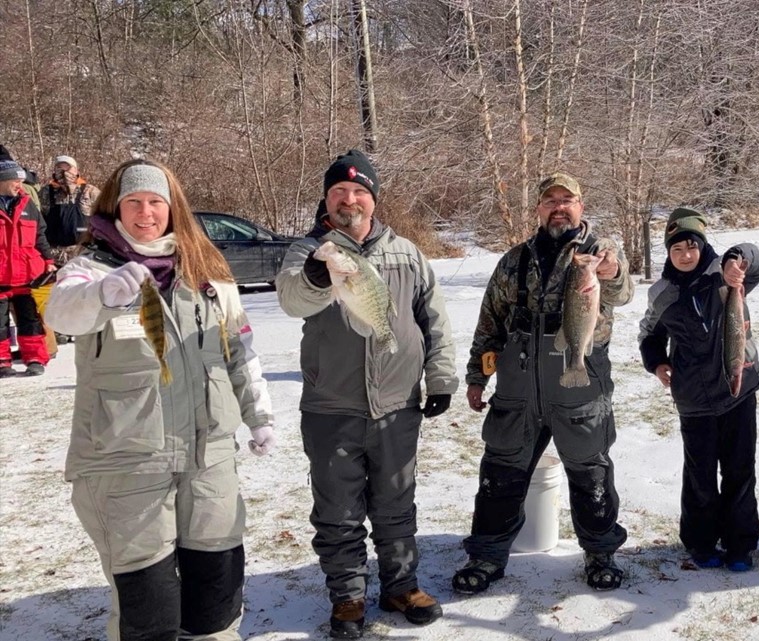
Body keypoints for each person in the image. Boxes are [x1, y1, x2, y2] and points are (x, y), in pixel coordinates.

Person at [43, 159, 276, 641]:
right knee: (148, 610)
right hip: (127, 465)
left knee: (215, 598)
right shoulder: (90, 267)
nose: (145, 213)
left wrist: (260, 414)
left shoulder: (207, 267)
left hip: (208, 457)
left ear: (173, 209)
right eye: (134, 202)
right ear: (116, 206)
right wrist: (103, 296)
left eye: (156, 202)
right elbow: (64, 315)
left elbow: (239, 348)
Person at [275, 150, 457, 636]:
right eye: (339, 192)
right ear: (327, 200)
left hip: (397, 405)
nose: (349, 199)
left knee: (397, 502)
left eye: (359, 192)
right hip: (330, 406)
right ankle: (349, 597)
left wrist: (440, 378)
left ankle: (401, 585)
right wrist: (318, 276)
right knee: (338, 511)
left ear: (373, 201)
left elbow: (434, 321)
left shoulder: (407, 253)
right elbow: (292, 298)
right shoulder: (309, 251)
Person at [453, 172, 632, 595]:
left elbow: (621, 288)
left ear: (581, 207)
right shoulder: (514, 261)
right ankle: (487, 555)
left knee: (591, 474)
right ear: (538, 208)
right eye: (550, 200)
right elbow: (488, 324)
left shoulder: (599, 253)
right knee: (500, 472)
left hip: (579, 386)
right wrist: (478, 376)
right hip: (517, 388)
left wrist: (612, 269)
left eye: (567, 199)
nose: (559, 207)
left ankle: (600, 553)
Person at [637, 207, 759, 571]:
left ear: (703, 246)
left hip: (738, 391)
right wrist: (657, 362)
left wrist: (737, 260)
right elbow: (649, 334)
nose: (685, 255)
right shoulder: (661, 293)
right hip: (693, 400)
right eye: (676, 249)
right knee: (700, 477)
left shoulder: (724, 276)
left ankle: (740, 545)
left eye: (692, 246)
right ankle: (701, 543)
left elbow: (757, 258)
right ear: (668, 252)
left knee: (740, 470)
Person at [0, 157, 54, 377]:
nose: (19, 186)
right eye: (16, 181)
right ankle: (2, 362)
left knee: (30, 320)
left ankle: (35, 358)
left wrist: (48, 261)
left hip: (27, 275)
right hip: (1, 276)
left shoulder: (27, 204)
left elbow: (40, 235)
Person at [41, 154, 101, 262]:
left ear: (76, 171)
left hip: (82, 254)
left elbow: (105, 220)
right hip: (52, 254)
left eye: (68, 168)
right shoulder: (45, 192)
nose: (64, 172)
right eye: (60, 168)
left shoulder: (90, 191)